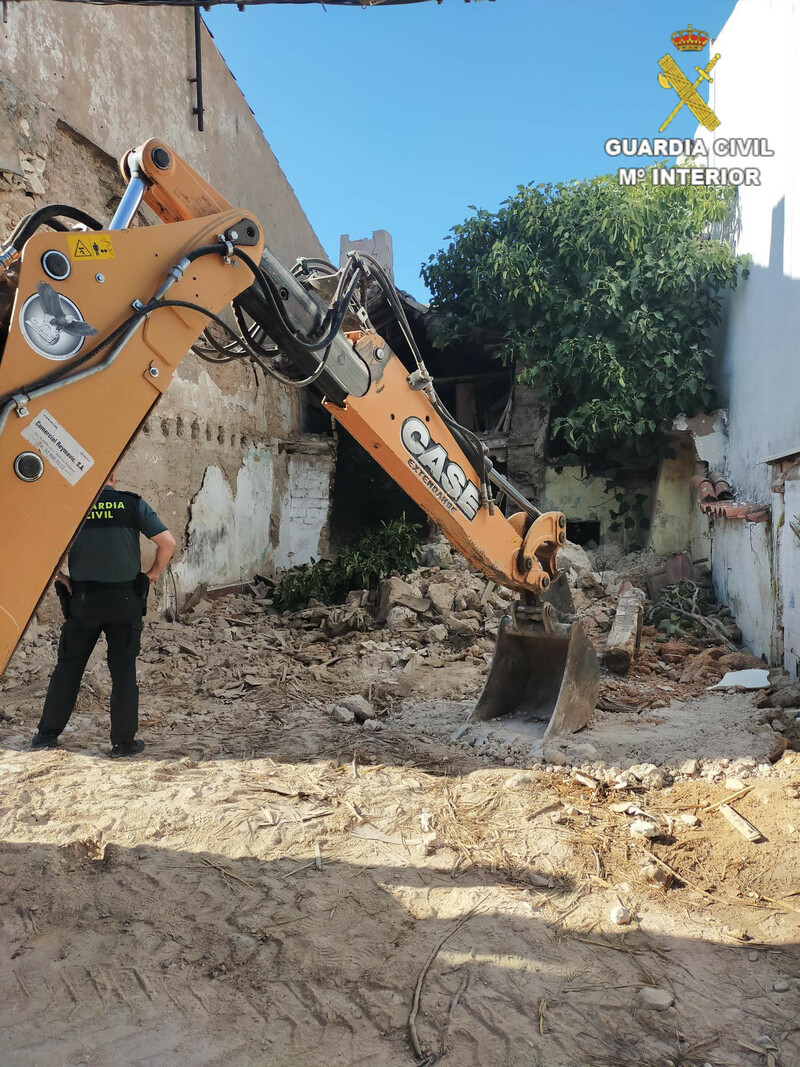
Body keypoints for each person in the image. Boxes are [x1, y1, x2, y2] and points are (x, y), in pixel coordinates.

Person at [31, 473, 176, 757]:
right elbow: (167, 542)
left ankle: (46, 736)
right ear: (113, 476)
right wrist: (152, 575)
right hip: (125, 600)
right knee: (123, 673)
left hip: (83, 600)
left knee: (68, 668)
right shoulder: (131, 504)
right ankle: (123, 744)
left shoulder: (74, 505)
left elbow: (40, 549)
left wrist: (60, 577)